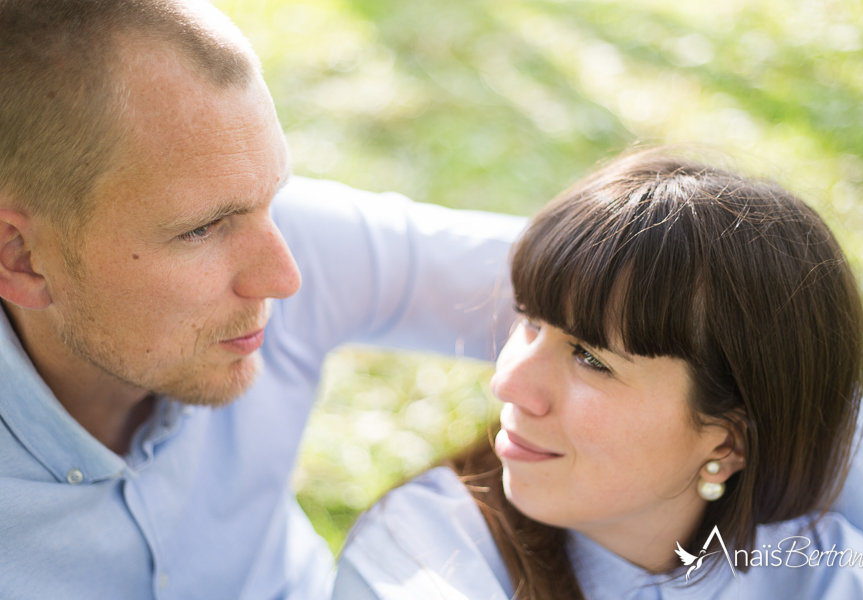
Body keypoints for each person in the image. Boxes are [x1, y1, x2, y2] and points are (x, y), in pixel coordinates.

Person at [0, 1, 525, 598]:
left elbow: (594, 284)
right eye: (201, 229)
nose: (284, 275)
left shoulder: (282, 236)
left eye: (273, 195)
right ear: (20, 257)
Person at [335, 149, 863, 599]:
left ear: (728, 441)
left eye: (591, 358)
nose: (507, 384)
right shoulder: (421, 563)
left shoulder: (830, 577)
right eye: (530, 323)